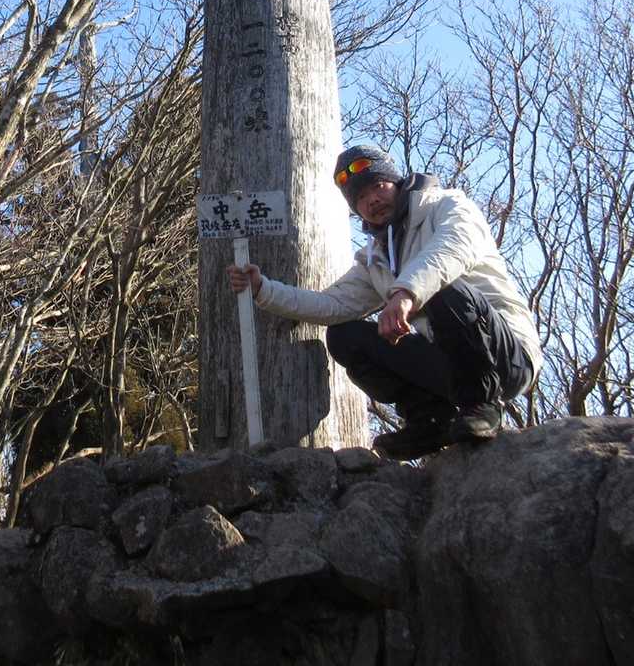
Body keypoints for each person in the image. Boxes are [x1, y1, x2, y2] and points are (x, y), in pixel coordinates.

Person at [226, 143, 543, 460]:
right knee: (345, 336)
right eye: (360, 198)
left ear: (397, 182)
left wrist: (405, 293)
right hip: (450, 366)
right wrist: (263, 288)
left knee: (444, 289)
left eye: (378, 185)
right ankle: (430, 420)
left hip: (506, 357)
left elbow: (451, 250)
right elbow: (332, 304)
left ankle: (483, 406)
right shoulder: (377, 258)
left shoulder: (448, 206)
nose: (372, 200)